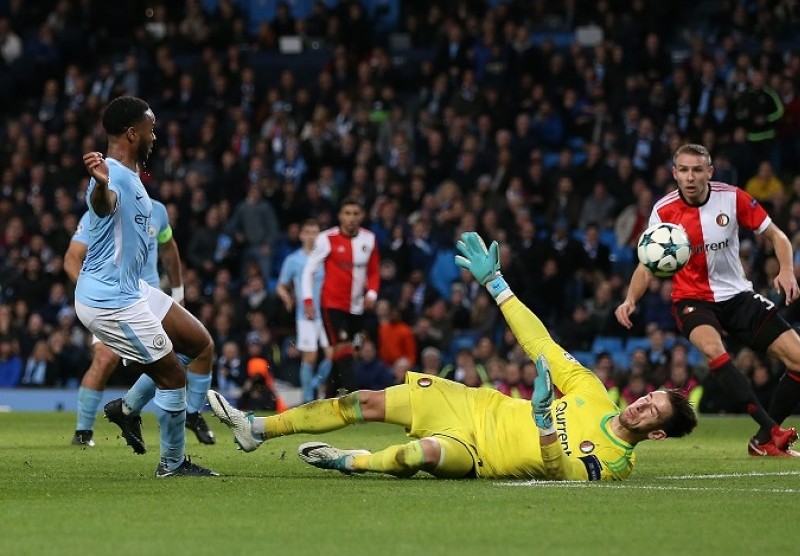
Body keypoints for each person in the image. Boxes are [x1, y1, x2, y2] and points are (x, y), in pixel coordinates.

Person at [208, 232, 697, 482]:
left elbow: (559, 475)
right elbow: (541, 344)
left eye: (652, 410)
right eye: (649, 396)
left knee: (418, 455)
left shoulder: (614, 465)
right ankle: (256, 429)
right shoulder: (592, 392)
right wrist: (496, 286)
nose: (642, 403)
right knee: (361, 402)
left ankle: (351, 462)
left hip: (479, 455)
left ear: (655, 432)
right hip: (475, 405)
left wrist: (546, 421)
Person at [615, 143, 800, 457]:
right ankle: (773, 431)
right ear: (674, 173)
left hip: (738, 296)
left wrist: (787, 270)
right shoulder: (663, 210)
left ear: (709, 172)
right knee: (715, 350)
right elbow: (648, 263)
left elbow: (777, 236)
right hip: (692, 300)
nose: (690, 177)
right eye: (683, 170)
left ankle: (762, 440)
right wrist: (630, 299)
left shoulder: (732, 197)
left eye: (697, 169)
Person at [75, 96, 217, 477]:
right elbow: (102, 204)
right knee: (173, 375)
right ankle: (172, 464)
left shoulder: (134, 178)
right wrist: (100, 186)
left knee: (199, 342)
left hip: (133, 290)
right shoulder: (114, 175)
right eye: (151, 129)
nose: (155, 136)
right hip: (109, 301)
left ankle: (126, 409)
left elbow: (164, 246)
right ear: (133, 133)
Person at [66, 202, 216, 448]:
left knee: (194, 349)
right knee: (105, 358)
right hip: (111, 299)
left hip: (148, 296)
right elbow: (72, 257)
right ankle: (84, 431)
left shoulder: (157, 211)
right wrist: (89, 289)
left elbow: (168, 248)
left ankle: (188, 415)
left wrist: (178, 293)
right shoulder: (98, 210)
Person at [300, 198, 379, 396]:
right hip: (332, 304)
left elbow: (374, 270)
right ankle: (354, 396)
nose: (351, 218)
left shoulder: (369, 239)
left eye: (355, 213)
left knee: (347, 350)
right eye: (347, 213)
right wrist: (308, 300)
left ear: (362, 216)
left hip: (357, 306)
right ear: (340, 216)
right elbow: (309, 270)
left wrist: (372, 293)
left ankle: (328, 397)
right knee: (343, 346)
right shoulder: (327, 238)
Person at [276, 218, 333, 403]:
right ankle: (308, 399)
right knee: (310, 356)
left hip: (327, 312)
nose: (311, 236)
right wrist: (286, 298)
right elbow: (281, 286)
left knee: (332, 355)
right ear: (301, 235)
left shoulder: (325, 258)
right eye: (307, 232)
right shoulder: (293, 260)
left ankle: (315, 385)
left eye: (315, 232)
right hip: (305, 314)